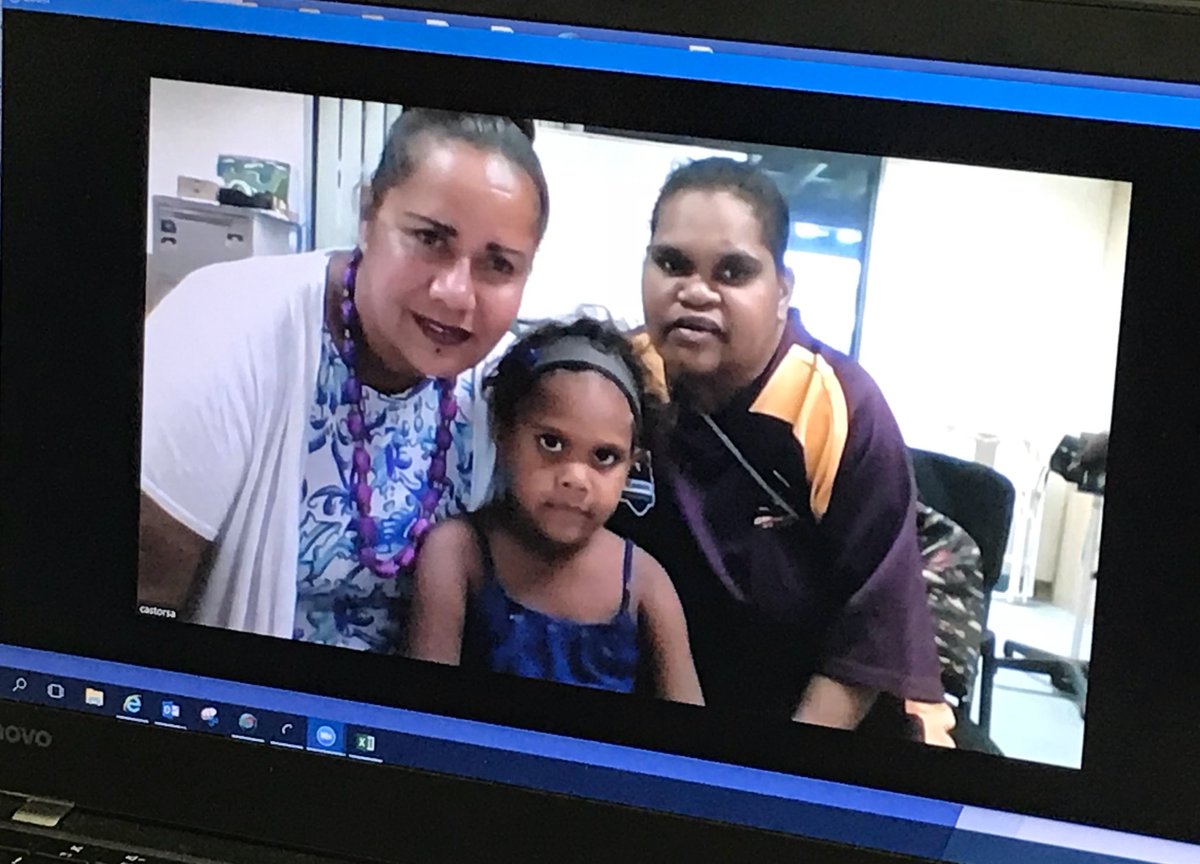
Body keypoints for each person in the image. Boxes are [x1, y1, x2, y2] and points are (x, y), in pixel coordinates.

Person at [137, 109, 549, 652]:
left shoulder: (501, 391)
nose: (456, 293)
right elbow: (136, 608)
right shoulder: (222, 326)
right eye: (429, 238)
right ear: (367, 215)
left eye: (498, 265)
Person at [609, 157, 950, 740]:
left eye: (733, 272)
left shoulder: (841, 408)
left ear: (782, 291)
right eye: (672, 263)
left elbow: (867, 641)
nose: (695, 292)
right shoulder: (620, 381)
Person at [405, 318, 704, 704]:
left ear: (633, 464)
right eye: (551, 442)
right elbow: (418, 716)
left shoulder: (644, 583)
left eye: (604, 456)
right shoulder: (459, 553)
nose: (576, 479)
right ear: (504, 431)